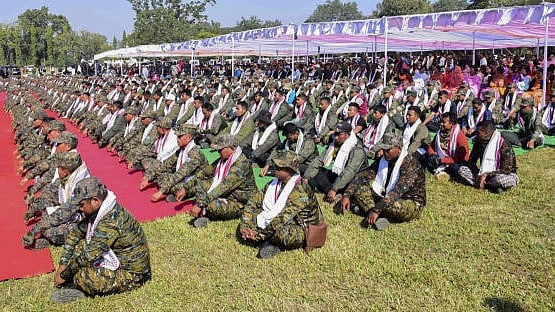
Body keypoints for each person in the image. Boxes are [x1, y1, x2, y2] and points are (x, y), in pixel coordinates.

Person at [52, 177, 151, 303]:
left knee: (84, 278)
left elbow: (89, 255)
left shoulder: (110, 220)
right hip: (116, 258)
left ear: (95, 200)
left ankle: (79, 288)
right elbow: (75, 234)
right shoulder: (100, 210)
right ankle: (76, 281)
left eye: (81, 205)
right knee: (80, 245)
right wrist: (63, 264)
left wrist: (64, 275)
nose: (79, 209)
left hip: (132, 274)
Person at [239, 150, 321, 258]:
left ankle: (270, 244)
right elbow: (254, 201)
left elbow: (282, 219)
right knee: (254, 216)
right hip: (279, 219)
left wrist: (258, 235)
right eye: (275, 165)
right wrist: (245, 225)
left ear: (290, 170)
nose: (275, 168)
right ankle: (266, 241)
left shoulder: (301, 191)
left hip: (301, 228)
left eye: (279, 166)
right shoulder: (275, 182)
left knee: (282, 234)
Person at [341, 132, 426, 231]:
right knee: (359, 188)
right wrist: (347, 195)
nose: (385, 152)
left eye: (388, 150)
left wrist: (376, 210)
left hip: (409, 202)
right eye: (384, 149)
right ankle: (377, 217)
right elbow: (364, 175)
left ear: (399, 148)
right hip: (385, 196)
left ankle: (367, 211)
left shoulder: (411, 164)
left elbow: (398, 191)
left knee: (392, 205)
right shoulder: (383, 159)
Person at [177, 134, 255, 228]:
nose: (218, 151)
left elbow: (223, 187)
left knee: (210, 205)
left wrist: (200, 204)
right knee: (200, 185)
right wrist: (186, 187)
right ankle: (205, 210)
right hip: (226, 194)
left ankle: (207, 214)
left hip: (238, 202)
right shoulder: (223, 159)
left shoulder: (241, 164)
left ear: (232, 148)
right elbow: (204, 173)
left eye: (221, 149)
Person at [22, 152, 90, 249]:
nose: (57, 170)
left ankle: (51, 242)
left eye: (59, 168)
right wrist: (33, 209)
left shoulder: (81, 188)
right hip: (69, 215)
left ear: (65, 170)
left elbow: (63, 213)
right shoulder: (67, 178)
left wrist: (33, 231)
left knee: (50, 232)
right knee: (45, 215)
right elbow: (49, 196)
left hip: (82, 222)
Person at [304, 122, 367, 203]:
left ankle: (334, 193)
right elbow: (319, 160)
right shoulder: (335, 143)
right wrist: (306, 177)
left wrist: (334, 189)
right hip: (340, 175)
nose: (336, 137)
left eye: (339, 134)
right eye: (335, 134)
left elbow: (350, 171)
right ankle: (331, 192)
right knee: (315, 171)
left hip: (354, 180)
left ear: (348, 135)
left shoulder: (357, 150)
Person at [458, 120, 519, 193]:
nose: (476, 134)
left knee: (500, 180)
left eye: (479, 132)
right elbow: (471, 162)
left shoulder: (503, 144)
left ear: (487, 133)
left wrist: (486, 175)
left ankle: (488, 184)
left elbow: (506, 170)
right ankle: (490, 186)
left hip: (502, 175)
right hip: (483, 174)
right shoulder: (478, 142)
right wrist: (477, 175)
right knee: (462, 170)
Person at [427, 112, 469, 180]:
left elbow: (459, 158)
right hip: (441, 160)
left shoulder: (459, 136)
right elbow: (431, 147)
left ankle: (443, 172)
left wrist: (442, 160)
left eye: (443, 122)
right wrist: (432, 155)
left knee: (455, 167)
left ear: (451, 124)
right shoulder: (439, 133)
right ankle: (442, 171)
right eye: (441, 122)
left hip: (455, 161)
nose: (441, 124)